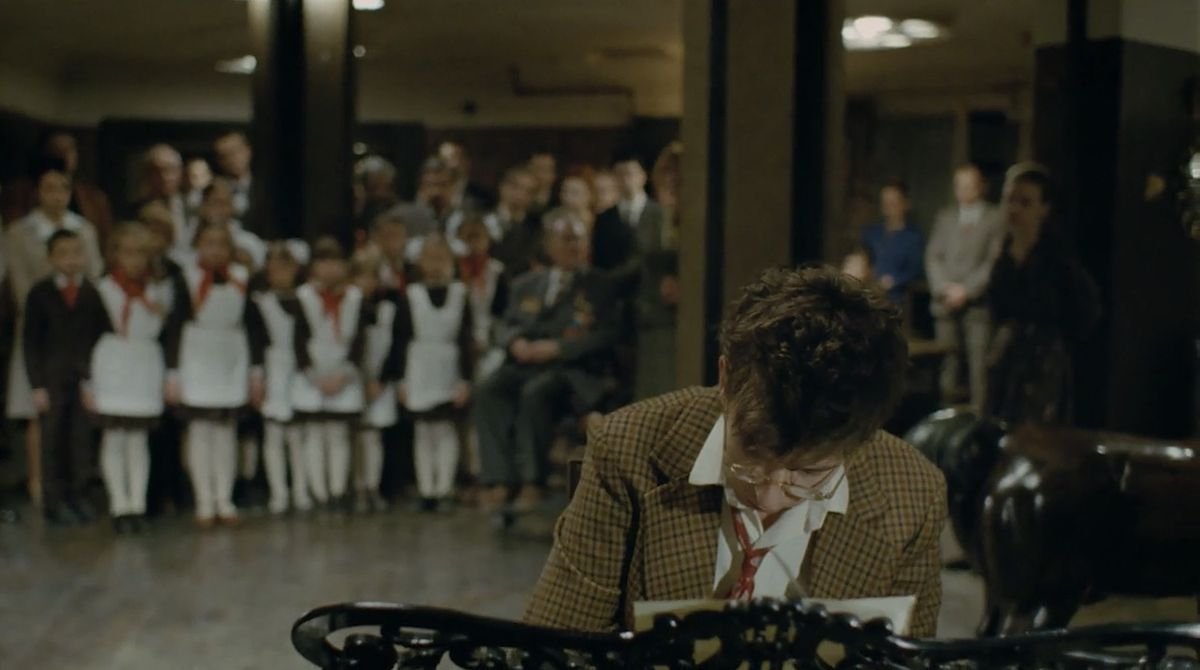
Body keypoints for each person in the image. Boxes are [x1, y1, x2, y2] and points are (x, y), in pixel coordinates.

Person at [524, 266, 945, 638]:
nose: (768, 497)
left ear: (864, 439)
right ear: (725, 378)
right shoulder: (629, 449)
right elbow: (554, 648)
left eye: (809, 475)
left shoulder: (911, 494)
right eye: (753, 454)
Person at [473, 212, 618, 513]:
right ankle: (499, 479)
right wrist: (516, 343)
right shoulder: (527, 283)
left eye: (578, 238)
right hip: (524, 363)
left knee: (535, 393)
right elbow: (505, 324)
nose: (573, 246)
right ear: (550, 246)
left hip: (570, 371)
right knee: (489, 390)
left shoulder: (600, 284)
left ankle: (532, 481)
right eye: (565, 239)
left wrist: (557, 348)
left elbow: (606, 334)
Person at [5, 159, 104, 493]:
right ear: (37, 192)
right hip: (41, 327)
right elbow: (20, 283)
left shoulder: (84, 229)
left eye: (63, 188)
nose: (57, 195)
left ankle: (74, 482)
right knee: (38, 411)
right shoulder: (20, 232)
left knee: (75, 412)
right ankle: (39, 481)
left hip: (77, 332)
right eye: (49, 188)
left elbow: (94, 275)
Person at [165, 221, 267, 528]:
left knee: (226, 432)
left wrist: (256, 371)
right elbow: (175, 327)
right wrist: (173, 373)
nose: (215, 250)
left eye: (221, 244)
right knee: (199, 432)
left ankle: (225, 497)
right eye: (208, 243)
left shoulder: (241, 278)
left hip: (230, 355)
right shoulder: (186, 279)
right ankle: (204, 499)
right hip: (197, 355)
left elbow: (253, 327)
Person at [985, 164, 1099, 425]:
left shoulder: (1057, 257)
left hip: (1043, 362)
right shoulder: (1003, 253)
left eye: (1025, 202)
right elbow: (998, 306)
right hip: (1007, 357)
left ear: (1043, 209)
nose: (1014, 209)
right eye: (1010, 200)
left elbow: (1085, 310)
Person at [89, 223, 180, 533]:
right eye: (128, 253)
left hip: (144, 364)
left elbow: (165, 334)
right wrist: (88, 382)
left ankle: (137, 503)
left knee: (138, 439)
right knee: (115, 437)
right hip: (113, 363)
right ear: (115, 255)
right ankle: (119, 504)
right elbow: (90, 335)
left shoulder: (159, 290)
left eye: (141, 253)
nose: (135, 260)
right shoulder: (104, 288)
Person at [23, 229, 112, 526]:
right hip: (52, 379)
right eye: (63, 254)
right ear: (51, 258)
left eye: (77, 253)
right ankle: (55, 500)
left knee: (81, 440)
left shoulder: (91, 292)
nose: (71, 260)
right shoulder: (40, 293)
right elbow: (31, 342)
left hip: (83, 378)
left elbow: (103, 336)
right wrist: (36, 384)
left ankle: (79, 495)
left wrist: (95, 378)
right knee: (53, 441)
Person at [391, 234, 473, 511]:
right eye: (430, 258)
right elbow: (400, 339)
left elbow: (466, 339)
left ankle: (445, 487)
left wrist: (465, 379)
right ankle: (427, 490)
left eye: (442, 259)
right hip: (419, 367)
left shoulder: (461, 294)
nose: (436, 264)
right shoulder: (411, 296)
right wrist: (401, 379)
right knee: (424, 430)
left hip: (449, 367)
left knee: (446, 429)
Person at [291, 237, 371, 510]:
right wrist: (314, 376)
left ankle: (338, 491)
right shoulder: (303, 297)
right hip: (313, 377)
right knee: (315, 435)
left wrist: (345, 373)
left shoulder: (355, 297)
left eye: (335, 262)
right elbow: (298, 341)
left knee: (338, 436)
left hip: (342, 375)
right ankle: (319, 492)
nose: (329, 269)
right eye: (323, 262)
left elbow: (360, 340)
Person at [591, 156, 673, 400]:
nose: (626, 179)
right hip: (619, 304)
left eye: (631, 173)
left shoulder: (659, 214)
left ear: (643, 176)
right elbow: (600, 262)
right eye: (621, 173)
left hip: (654, 301)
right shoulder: (605, 218)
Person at [926, 164, 1006, 410]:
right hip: (945, 302)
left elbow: (993, 262)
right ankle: (944, 417)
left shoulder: (995, 218)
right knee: (946, 364)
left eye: (969, 185)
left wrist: (967, 291)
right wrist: (943, 288)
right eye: (959, 185)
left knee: (979, 367)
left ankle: (979, 421)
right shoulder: (945, 216)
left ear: (981, 186)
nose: (964, 191)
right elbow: (933, 256)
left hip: (977, 306)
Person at [254, 243, 309, 514]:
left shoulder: (305, 299)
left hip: (299, 369)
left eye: (286, 268)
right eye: (275, 269)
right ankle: (278, 492)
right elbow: (256, 342)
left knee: (298, 435)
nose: (281, 274)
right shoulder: (261, 302)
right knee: (274, 435)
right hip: (273, 367)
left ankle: (301, 489)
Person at [0, 131, 114, 245]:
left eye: (69, 148)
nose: (63, 154)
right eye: (57, 148)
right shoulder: (20, 192)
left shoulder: (93, 197)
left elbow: (104, 241)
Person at [351, 251, 398, 514]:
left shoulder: (388, 309)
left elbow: (395, 346)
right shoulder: (348, 306)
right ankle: (357, 486)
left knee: (373, 437)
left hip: (379, 379)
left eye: (371, 277)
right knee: (356, 437)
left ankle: (373, 486)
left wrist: (381, 379)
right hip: (353, 379)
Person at [456, 215, 509, 383]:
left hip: (491, 340)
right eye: (468, 239)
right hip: (459, 337)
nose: (473, 244)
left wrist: (489, 340)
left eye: (478, 238)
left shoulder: (497, 271)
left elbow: (502, 313)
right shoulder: (454, 272)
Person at [861, 179, 924, 306]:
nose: (888, 207)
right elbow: (862, 258)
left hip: (895, 300)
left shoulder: (913, 238)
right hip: (867, 296)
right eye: (885, 202)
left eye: (893, 202)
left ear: (905, 204)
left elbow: (915, 269)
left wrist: (894, 281)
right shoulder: (872, 234)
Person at [481, 166, 543, 277]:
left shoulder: (536, 229)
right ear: (502, 187)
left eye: (528, 191)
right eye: (516, 187)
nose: (520, 194)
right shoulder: (481, 220)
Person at [213, 132, 253, 220]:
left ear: (248, 151)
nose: (231, 159)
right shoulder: (215, 191)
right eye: (224, 156)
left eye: (235, 152)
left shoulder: (268, 187)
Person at [528, 152, 559, 216]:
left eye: (545, 170)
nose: (539, 174)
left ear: (553, 175)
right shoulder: (518, 202)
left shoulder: (559, 203)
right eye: (536, 168)